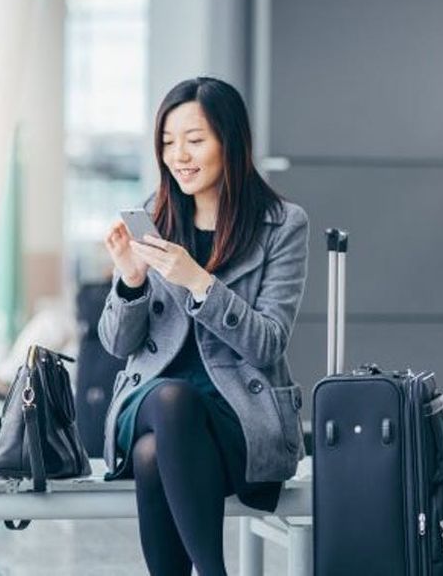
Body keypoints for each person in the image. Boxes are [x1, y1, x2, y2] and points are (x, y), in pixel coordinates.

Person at [98, 77, 309, 575]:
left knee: (154, 454)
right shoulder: (153, 215)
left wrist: (199, 283)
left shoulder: (283, 224)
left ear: (230, 142)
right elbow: (117, 345)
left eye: (195, 140)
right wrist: (130, 282)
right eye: (168, 143)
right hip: (152, 403)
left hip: (239, 418)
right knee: (171, 402)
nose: (179, 156)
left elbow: (268, 343)